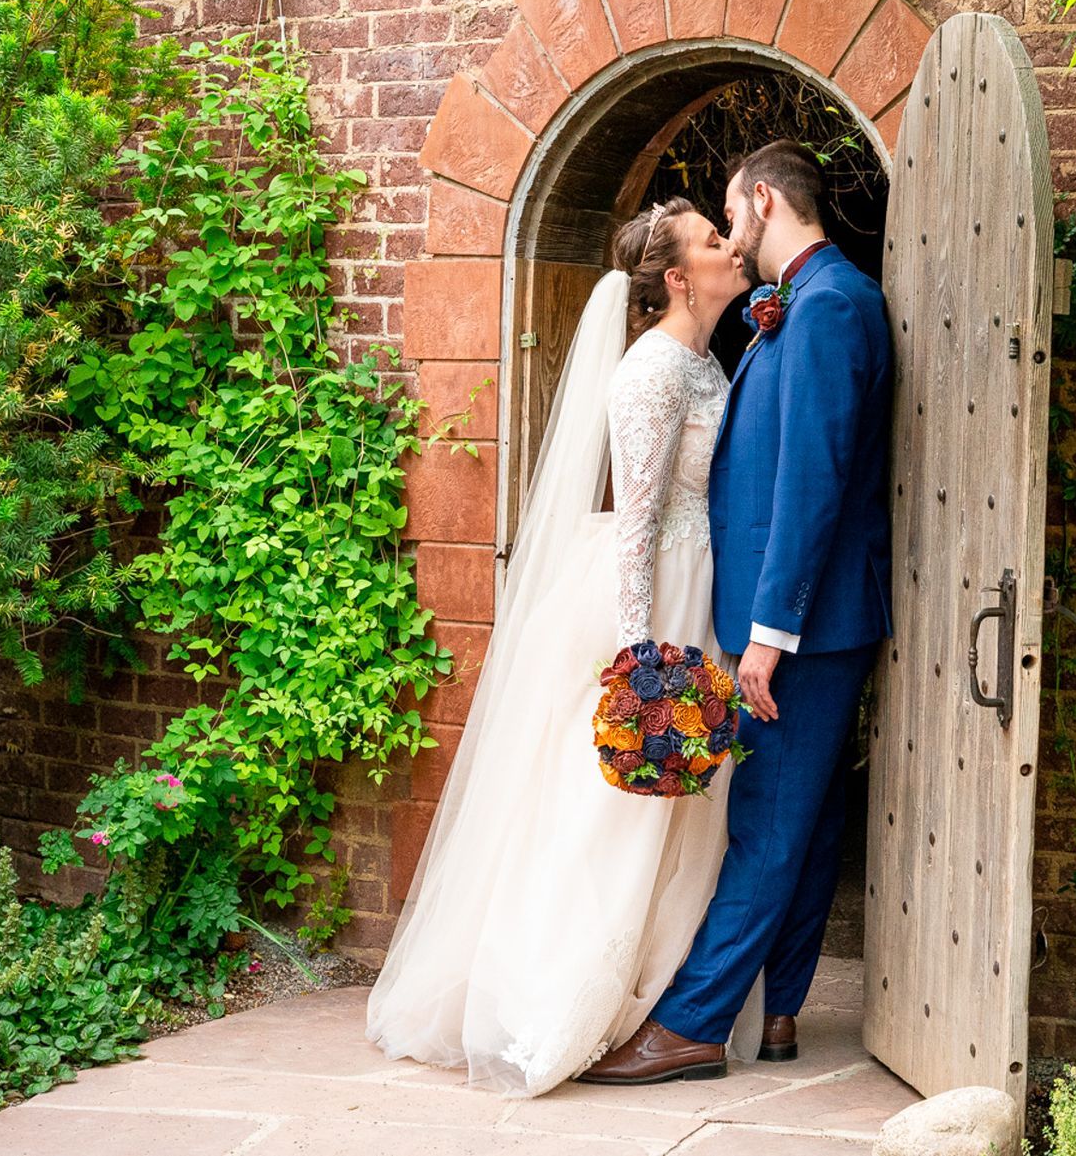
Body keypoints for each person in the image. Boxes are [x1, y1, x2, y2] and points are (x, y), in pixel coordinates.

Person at [364, 198, 764, 1095]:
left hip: (700, 587)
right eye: (712, 241)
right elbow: (635, 522)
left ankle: (655, 991)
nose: (731, 247)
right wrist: (640, 662)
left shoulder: (707, 362)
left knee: (681, 809)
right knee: (609, 810)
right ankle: (558, 999)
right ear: (676, 279)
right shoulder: (651, 372)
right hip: (653, 597)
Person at [581, 140, 894, 1085]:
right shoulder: (802, 304)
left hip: (803, 626)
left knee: (766, 819)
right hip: (792, 620)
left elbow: (811, 481)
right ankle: (785, 1006)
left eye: (733, 216)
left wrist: (769, 633)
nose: (732, 237)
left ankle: (694, 1023)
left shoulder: (832, 304)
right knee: (799, 817)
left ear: (764, 200)